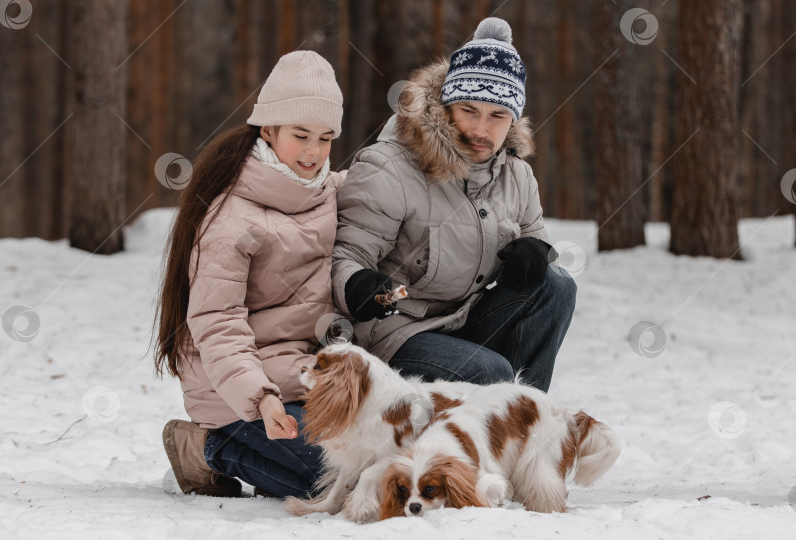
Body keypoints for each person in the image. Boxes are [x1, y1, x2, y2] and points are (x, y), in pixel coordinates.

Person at [331, 18, 576, 392]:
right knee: (489, 373)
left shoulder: (518, 176)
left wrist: (534, 253)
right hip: (395, 330)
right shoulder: (391, 167)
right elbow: (344, 255)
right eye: (469, 110)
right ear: (446, 107)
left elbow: (539, 257)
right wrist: (357, 285)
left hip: (464, 320)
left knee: (557, 285)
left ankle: (524, 416)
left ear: (513, 119)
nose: (481, 130)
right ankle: (500, 414)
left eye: (497, 115)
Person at [154, 51, 345, 498]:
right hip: (236, 388)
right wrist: (260, 396)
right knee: (332, 481)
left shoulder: (331, 193)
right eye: (300, 135)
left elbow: (393, 177)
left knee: (376, 467)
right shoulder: (231, 218)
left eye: (325, 138)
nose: (314, 152)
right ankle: (205, 447)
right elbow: (216, 322)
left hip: (305, 377)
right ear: (269, 130)